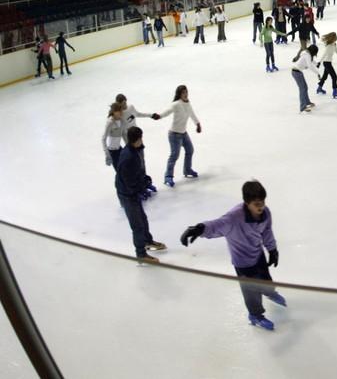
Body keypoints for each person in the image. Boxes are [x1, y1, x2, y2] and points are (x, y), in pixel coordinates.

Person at [180, 180, 285, 331]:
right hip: (242, 263)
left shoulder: (265, 213)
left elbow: (267, 232)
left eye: (262, 202)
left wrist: (272, 250)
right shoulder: (234, 218)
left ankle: (269, 292)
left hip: (257, 254)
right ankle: (255, 316)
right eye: (256, 204)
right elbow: (215, 225)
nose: (261, 207)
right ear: (247, 203)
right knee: (251, 292)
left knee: (265, 279)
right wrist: (198, 229)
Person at [115, 126, 165, 263]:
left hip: (132, 192)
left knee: (142, 219)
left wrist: (144, 180)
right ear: (136, 139)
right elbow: (129, 181)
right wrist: (143, 185)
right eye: (141, 138)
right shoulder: (128, 157)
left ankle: (147, 241)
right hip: (128, 195)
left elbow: (136, 174)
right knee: (137, 225)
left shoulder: (133, 150)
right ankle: (140, 253)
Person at [155, 85, 201, 187]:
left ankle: (187, 169)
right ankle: (168, 176)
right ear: (179, 94)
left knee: (190, 150)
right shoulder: (176, 104)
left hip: (183, 133)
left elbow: (192, 114)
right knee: (174, 155)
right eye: (183, 92)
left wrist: (197, 124)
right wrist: (159, 116)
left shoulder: (188, 103)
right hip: (174, 134)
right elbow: (166, 112)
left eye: (186, 92)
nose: (185, 94)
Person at [316, 32, 337, 98]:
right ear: (333, 38)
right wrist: (319, 62)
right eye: (335, 37)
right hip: (326, 63)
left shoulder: (333, 44)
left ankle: (319, 88)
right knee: (334, 76)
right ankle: (335, 92)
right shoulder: (329, 46)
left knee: (325, 76)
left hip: (328, 62)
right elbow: (324, 54)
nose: (336, 38)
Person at [291, 45, 321, 113]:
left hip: (298, 72)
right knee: (302, 89)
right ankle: (302, 107)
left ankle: (307, 102)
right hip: (296, 72)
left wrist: (316, 64)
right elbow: (309, 65)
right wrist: (317, 73)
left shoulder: (307, 53)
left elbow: (310, 61)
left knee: (305, 87)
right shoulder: (307, 55)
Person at [102, 102, 126, 171]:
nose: (122, 112)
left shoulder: (122, 120)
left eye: (122, 111)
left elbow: (124, 134)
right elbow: (103, 139)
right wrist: (107, 155)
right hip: (112, 152)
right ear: (115, 112)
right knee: (119, 172)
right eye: (120, 111)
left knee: (126, 169)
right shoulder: (110, 122)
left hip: (119, 149)